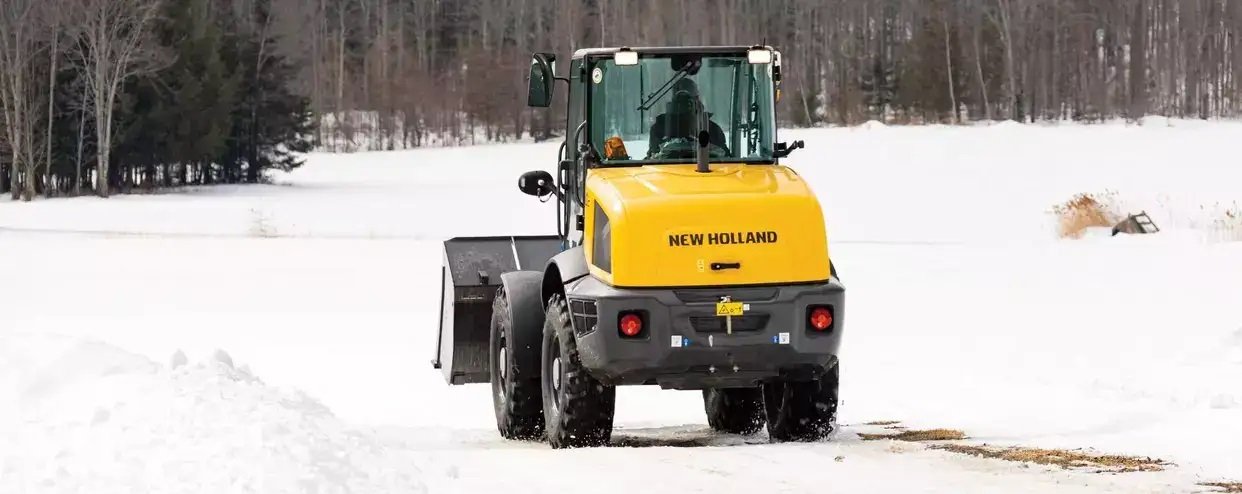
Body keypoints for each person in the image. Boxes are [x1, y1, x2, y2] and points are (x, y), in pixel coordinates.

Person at [647, 78, 730, 158]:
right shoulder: (660, 128)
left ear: (697, 100)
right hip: (667, 171)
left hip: (706, 170)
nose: (684, 104)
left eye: (689, 99)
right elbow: (653, 157)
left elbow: (725, 159)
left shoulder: (710, 128)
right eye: (680, 99)